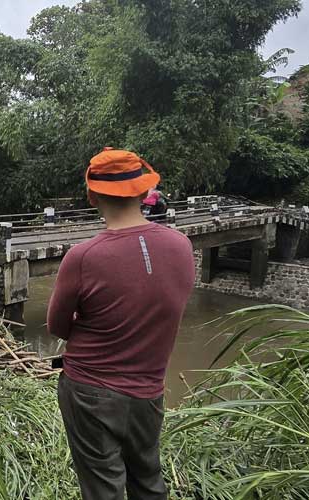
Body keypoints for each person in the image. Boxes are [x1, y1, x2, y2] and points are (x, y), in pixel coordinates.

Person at [47, 148, 195, 500]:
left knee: (103, 487)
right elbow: (167, 307)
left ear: (92, 195)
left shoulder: (82, 257)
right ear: (145, 192)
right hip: (150, 391)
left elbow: (56, 326)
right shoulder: (182, 245)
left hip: (90, 391)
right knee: (147, 480)